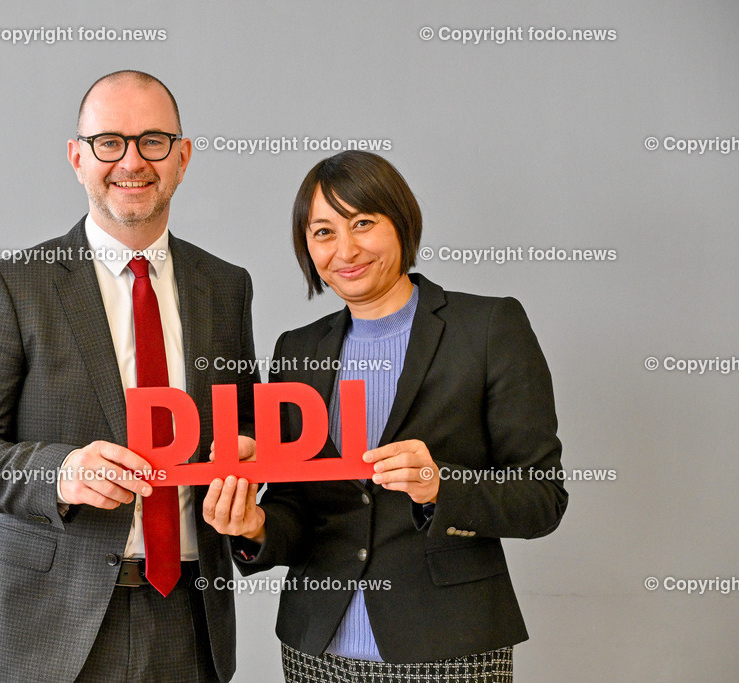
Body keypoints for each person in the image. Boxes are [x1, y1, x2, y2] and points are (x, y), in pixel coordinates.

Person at [0, 70, 257, 682]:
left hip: (191, 619)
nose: (131, 161)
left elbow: (243, 426)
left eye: (153, 141)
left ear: (183, 158)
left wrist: (246, 453)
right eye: (109, 142)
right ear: (77, 158)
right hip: (53, 628)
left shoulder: (225, 286)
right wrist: (61, 473)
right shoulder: (14, 285)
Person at [203, 150, 568, 682]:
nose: (344, 249)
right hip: (316, 649)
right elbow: (295, 505)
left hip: (450, 647)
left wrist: (440, 487)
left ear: (401, 222)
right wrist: (256, 528)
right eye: (322, 232)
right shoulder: (295, 350)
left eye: (363, 223)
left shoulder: (489, 327)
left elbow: (543, 498)